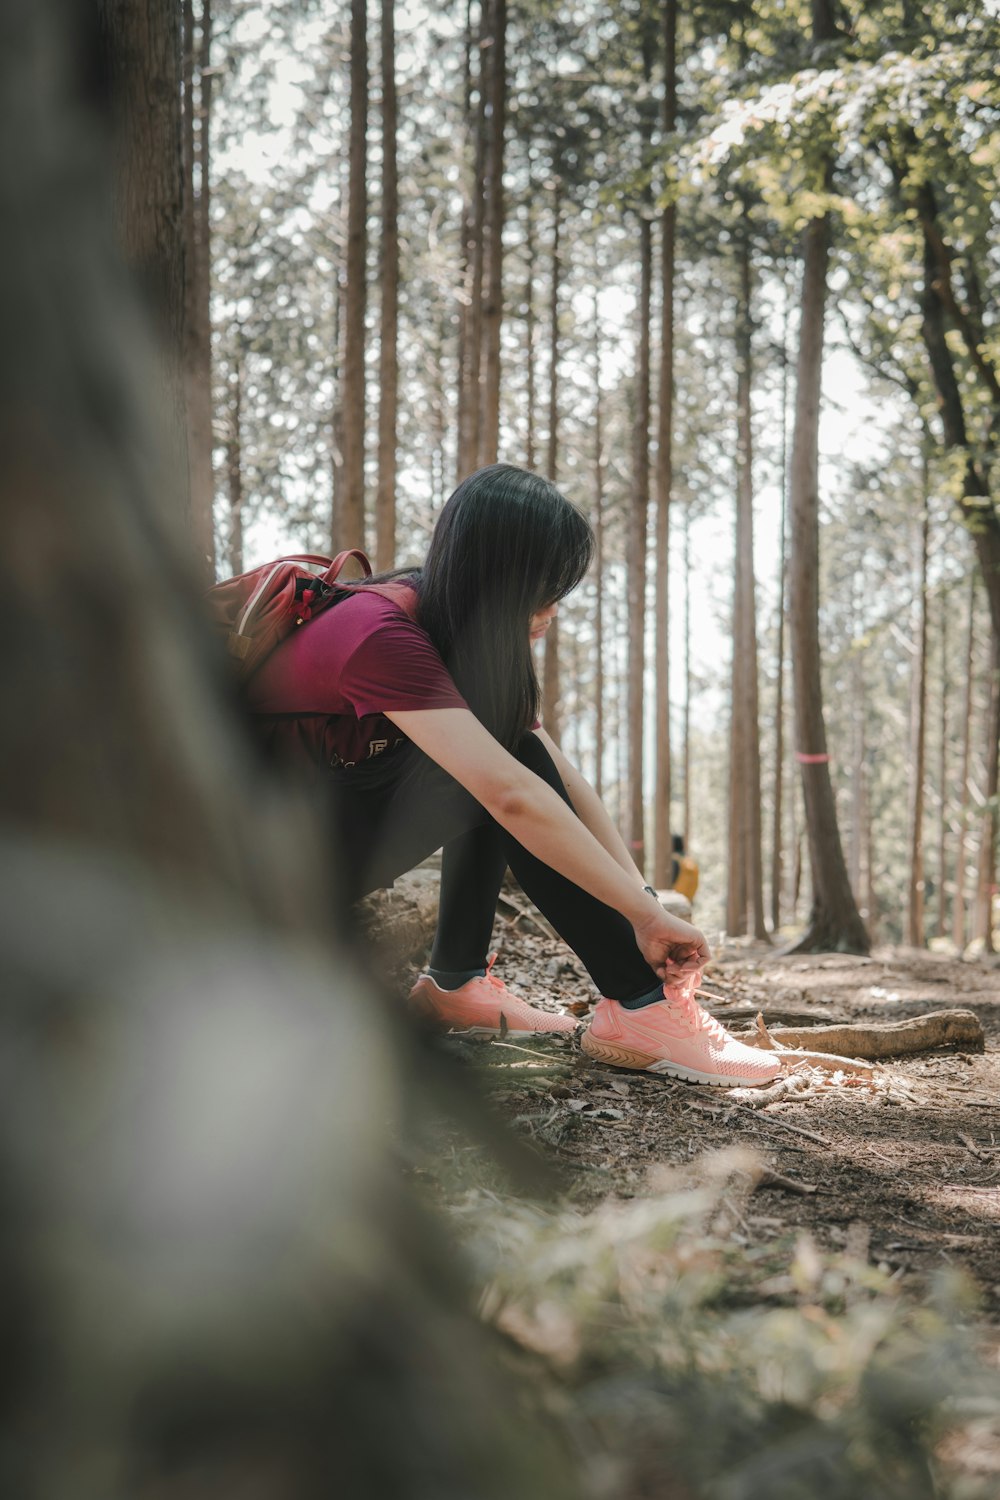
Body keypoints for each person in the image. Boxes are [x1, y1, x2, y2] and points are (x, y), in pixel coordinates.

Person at [246, 465, 778, 1088]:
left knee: (503, 754)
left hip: (308, 841)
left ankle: (456, 982)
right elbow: (514, 792)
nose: (553, 607)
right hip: (248, 874)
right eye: (542, 587)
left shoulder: (453, 626)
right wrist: (641, 921)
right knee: (497, 772)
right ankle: (642, 1008)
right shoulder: (380, 635)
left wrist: (645, 906)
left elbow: (560, 778)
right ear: (499, 581)